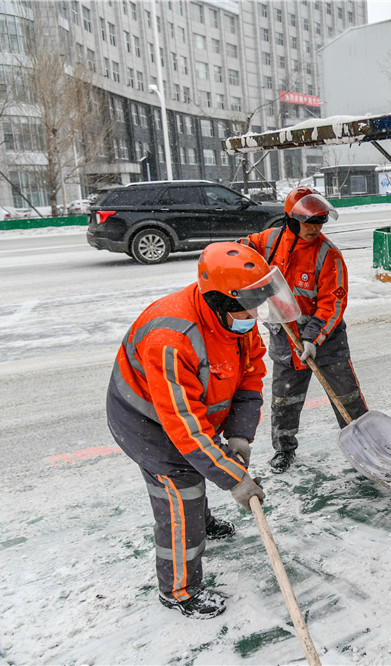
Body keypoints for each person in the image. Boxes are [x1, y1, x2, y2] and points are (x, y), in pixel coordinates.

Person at [106, 242, 292, 619]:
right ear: (222, 301)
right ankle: (179, 589)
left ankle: (203, 522)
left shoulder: (237, 322)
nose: (256, 313)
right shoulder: (172, 337)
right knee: (181, 492)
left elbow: (251, 376)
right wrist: (234, 478)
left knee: (202, 465)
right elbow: (185, 428)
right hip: (147, 422)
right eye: (250, 304)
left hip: (189, 416)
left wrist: (239, 435)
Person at [246, 187, 368, 474]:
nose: (315, 228)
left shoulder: (329, 255)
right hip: (284, 336)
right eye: (309, 222)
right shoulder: (269, 242)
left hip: (325, 340)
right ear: (290, 219)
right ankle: (284, 450)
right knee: (284, 400)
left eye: (320, 222)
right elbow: (239, 252)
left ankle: (363, 446)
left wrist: (312, 338)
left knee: (346, 397)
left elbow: (332, 305)